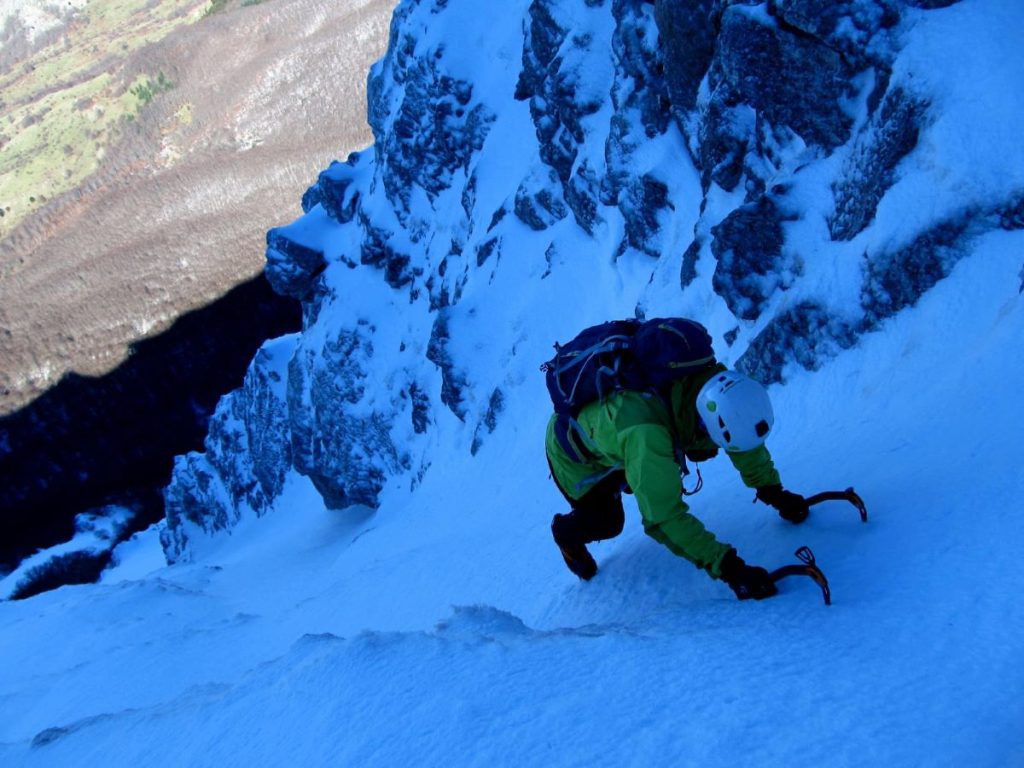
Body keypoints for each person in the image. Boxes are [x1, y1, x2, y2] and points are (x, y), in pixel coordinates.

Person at [545, 364, 809, 600]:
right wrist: (731, 570)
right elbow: (663, 517)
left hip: (623, 431)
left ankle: (629, 469)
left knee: (662, 465)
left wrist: (773, 491)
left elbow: (741, 438)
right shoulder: (647, 434)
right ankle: (565, 534)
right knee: (608, 522)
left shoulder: (718, 389)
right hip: (575, 456)